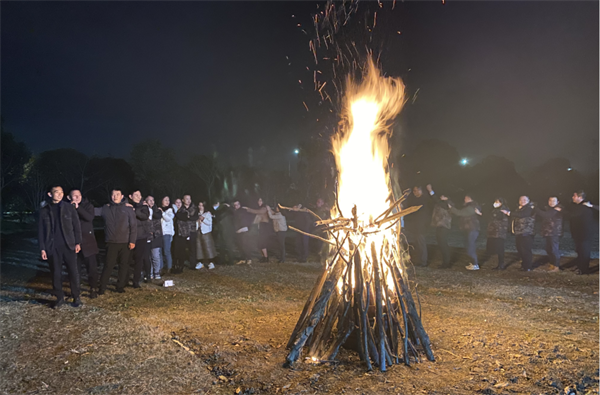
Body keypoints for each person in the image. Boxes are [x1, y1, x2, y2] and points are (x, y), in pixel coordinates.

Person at [38, 185, 83, 308]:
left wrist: (78, 242)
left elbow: (76, 226)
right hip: (52, 247)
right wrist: (42, 248)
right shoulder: (44, 210)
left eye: (61, 192)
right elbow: (41, 231)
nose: (59, 194)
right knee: (56, 273)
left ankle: (76, 296)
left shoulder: (69, 208)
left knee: (73, 272)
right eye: (56, 192)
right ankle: (59, 298)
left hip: (69, 245)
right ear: (50, 194)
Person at [99, 188, 137, 294]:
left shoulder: (128, 209)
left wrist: (132, 241)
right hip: (111, 242)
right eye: (113, 194)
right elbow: (93, 211)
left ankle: (120, 286)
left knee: (124, 265)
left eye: (117, 194)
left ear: (122, 196)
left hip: (125, 242)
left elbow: (133, 226)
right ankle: (102, 287)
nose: (115, 196)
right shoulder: (106, 208)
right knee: (108, 265)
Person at [69, 189, 100, 298]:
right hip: (73, 243)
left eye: (79, 195)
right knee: (75, 269)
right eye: (74, 196)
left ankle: (93, 288)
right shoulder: (68, 207)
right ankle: (76, 291)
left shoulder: (88, 206)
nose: (77, 197)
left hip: (88, 242)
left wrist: (78, 208)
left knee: (92, 269)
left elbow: (89, 217)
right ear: (69, 197)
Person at [566, 191, 599, 274]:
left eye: (574, 196)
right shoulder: (578, 206)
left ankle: (584, 270)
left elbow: (572, 215)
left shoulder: (584, 206)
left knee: (584, 252)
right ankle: (580, 267)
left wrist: (561, 210)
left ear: (580, 197)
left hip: (585, 234)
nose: (573, 197)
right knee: (580, 251)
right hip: (579, 234)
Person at [449, 194, 481, 271]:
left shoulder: (471, 207)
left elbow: (460, 213)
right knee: (469, 245)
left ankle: (475, 264)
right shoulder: (469, 206)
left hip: (472, 229)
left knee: (471, 246)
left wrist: (451, 208)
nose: (464, 199)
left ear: (470, 198)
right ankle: (473, 262)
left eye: (466, 197)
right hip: (469, 229)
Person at [402, 186, 432, 266]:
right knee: (417, 244)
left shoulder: (424, 200)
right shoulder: (414, 200)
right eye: (414, 191)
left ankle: (423, 261)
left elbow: (423, 214)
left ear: (420, 190)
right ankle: (419, 260)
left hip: (421, 227)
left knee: (421, 243)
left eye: (416, 190)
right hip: (415, 226)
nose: (415, 192)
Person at [535, 196, 563, 272]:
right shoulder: (548, 209)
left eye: (554, 201)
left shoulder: (558, 209)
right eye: (550, 200)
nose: (551, 202)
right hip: (547, 232)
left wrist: (536, 208)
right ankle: (552, 264)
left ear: (558, 202)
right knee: (548, 249)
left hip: (554, 233)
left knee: (554, 249)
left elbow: (545, 215)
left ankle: (556, 266)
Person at [427, 184, 452, 268]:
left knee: (443, 244)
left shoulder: (448, 203)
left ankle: (446, 263)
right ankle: (445, 262)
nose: (441, 197)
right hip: (439, 226)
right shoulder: (442, 203)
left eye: (443, 196)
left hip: (444, 226)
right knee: (441, 244)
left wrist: (431, 191)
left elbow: (437, 201)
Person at [129, 190, 151, 286]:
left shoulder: (144, 206)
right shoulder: (127, 205)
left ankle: (136, 280)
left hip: (141, 236)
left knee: (139, 259)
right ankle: (125, 279)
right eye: (136, 195)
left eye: (140, 195)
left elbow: (144, 216)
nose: (139, 197)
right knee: (128, 259)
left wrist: (134, 210)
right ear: (130, 196)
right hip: (129, 235)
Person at [482, 198, 510, 270]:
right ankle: (499, 264)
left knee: (500, 249)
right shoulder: (495, 210)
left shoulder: (503, 210)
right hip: (493, 231)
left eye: (497, 202)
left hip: (499, 232)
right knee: (493, 248)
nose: (495, 203)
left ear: (501, 203)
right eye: (495, 201)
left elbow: (498, 218)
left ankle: (501, 265)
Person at [509, 196, 536, 272]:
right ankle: (524, 265)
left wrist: (509, 213)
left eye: (525, 200)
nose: (522, 201)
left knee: (526, 250)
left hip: (527, 233)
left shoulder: (530, 208)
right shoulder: (518, 209)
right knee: (520, 250)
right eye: (521, 200)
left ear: (528, 201)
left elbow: (522, 215)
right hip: (519, 232)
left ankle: (528, 267)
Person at [173, 195, 198, 272]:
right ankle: (180, 264)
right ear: (183, 200)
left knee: (192, 248)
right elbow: (180, 217)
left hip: (192, 230)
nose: (188, 200)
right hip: (183, 231)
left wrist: (187, 218)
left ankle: (193, 264)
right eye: (187, 199)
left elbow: (195, 217)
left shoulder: (194, 208)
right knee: (182, 249)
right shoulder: (181, 209)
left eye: (189, 199)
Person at [243, 197, 271, 263]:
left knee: (262, 242)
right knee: (261, 243)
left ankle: (266, 258)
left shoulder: (264, 208)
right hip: (262, 226)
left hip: (264, 226)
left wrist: (248, 209)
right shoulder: (262, 208)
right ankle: (264, 257)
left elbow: (256, 212)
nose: (259, 202)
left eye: (260, 201)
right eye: (258, 201)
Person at [146, 195, 163, 280]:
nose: (151, 202)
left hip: (156, 236)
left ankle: (157, 272)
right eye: (149, 200)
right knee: (149, 256)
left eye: (153, 200)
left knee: (155, 255)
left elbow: (157, 216)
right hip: (147, 236)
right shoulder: (144, 210)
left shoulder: (158, 211)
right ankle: (150, 272)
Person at [195, 202, 217, 270]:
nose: (200, 207)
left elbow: (209, 223)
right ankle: (200, 262)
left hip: (206, 232)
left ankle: (211, 262)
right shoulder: (197, 214)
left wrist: (203, 219)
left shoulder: (207, 213)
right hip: (199, 232)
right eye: (199, 205)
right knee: (199, 247)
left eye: (202, 205)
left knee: (208, 247)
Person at [233, 200, 253, 265]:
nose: (236, 206)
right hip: (238, 231)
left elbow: (245, 220)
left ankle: (249, 259)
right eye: (235, 205)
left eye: (237, 204)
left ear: (239, 204)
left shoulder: (243, 211)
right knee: (240, 245)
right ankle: (243, 259)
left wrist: (244, 228)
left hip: (243, 230)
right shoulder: (236, 211)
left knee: (245, 245)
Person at [159, 196, 175, 274]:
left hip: (167, 233)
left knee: (166, 251)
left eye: (168, 200)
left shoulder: (170, 210)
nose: (167, 201)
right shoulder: (159, 209)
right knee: (160, 251)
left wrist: (162, 212)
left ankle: (169, 267)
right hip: (160, 233)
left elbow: (168, 218)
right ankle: (161, 267)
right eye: (165, 200)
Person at [313, 198, 331, 264]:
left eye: (319, 202)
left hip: (325, 231)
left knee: (324, 246)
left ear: (323, 203)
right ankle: (319, 259)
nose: (317, 203)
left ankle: (323, 259)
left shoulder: (326, 210)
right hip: (319, 231)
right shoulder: (318, 210)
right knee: (319, 245)